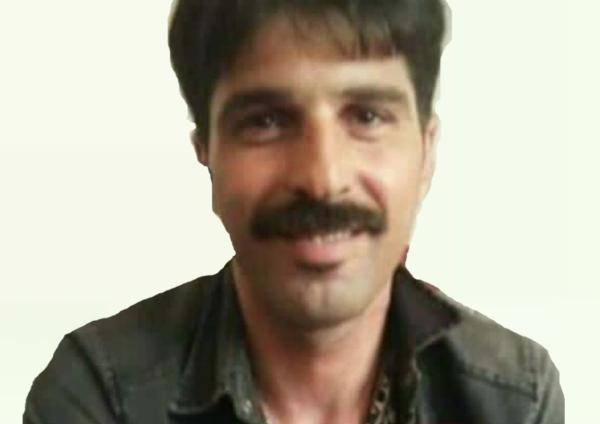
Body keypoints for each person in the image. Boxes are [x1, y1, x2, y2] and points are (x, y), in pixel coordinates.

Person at [23, 0, 564, 423]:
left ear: (426, 151)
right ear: (206, 153)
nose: (322, 178)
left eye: (367, 116)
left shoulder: (515, 400)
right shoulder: (100, 395)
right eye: (265, 121)